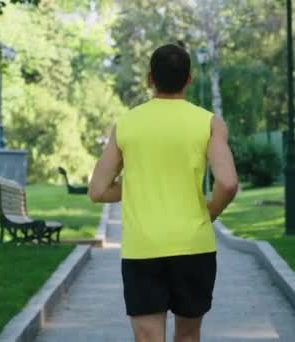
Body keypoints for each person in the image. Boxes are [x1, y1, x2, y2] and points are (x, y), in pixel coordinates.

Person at [88, 43, 238, 342]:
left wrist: (140, 183)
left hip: (142, 248)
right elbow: (228, 183)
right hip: (194, 246)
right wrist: (211, 211)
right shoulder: (208, 123)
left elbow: (98, 190)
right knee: (188, 335)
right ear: (189, 79)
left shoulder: (127, 124)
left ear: (149, 79)